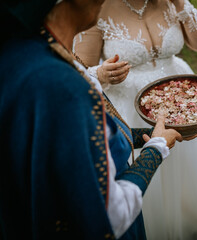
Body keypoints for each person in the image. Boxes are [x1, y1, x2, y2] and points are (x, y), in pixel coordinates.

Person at [0, 0, 187, 239]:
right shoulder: (65, 89)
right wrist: (156, 149)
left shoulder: (23, 50)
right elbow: (109, 216)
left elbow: (79, 143)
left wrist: (149, 135)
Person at [74, 0, 197, 239]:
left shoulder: (171, 3)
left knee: (186, 169)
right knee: (150, 175)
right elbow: (79, 71)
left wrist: (181, 4)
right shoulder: (96, 7)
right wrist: (101, 74)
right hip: (129, 104)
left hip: (180, 95)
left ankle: (190, 222)